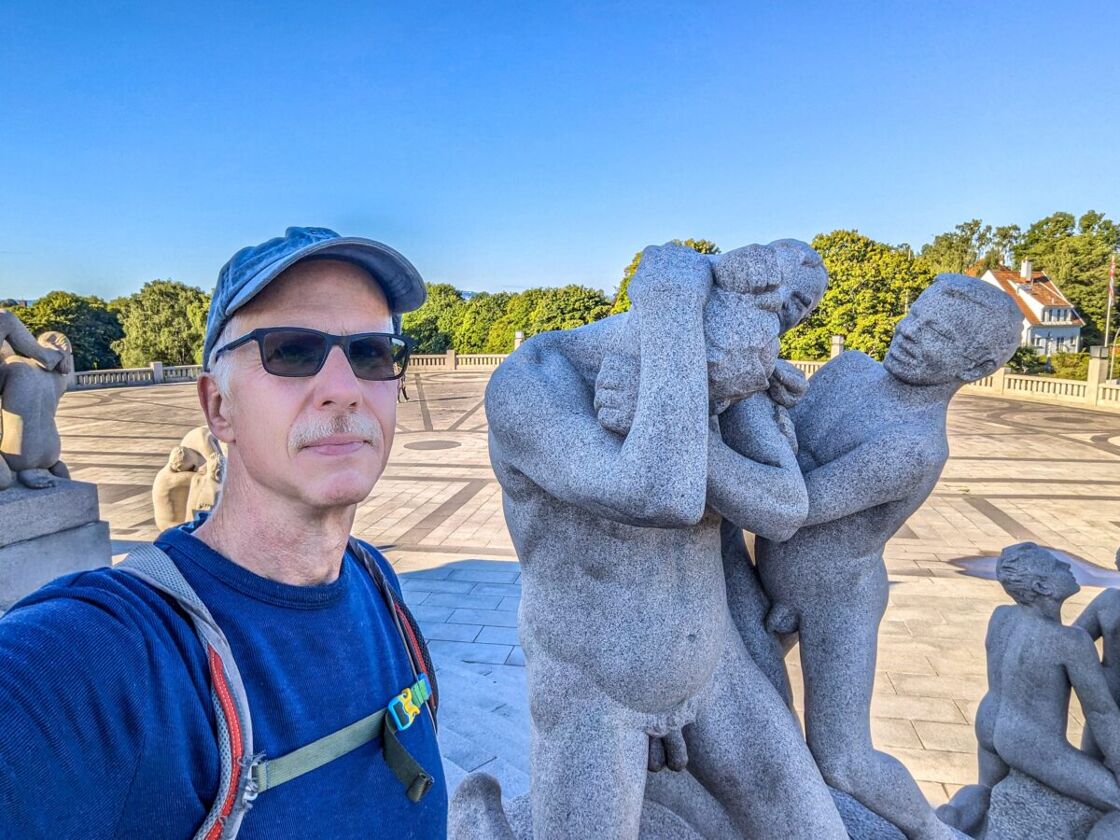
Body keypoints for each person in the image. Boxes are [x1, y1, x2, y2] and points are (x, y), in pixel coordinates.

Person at [0, 227, 447, 839]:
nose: (344, 389)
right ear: (218, 408)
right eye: (292, 351)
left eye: (370, 352)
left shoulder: (375, 579)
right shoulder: (117, 651)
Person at [472, 243, 846, 839]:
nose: (724, 406)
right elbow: (659, 495)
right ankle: (486, 821)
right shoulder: (532, 386)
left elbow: (781, 508)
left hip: (713, 668)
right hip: (595, 687)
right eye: (710, 393)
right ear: (668, 342)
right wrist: (670, 304)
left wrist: (703, 420)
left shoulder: (726, 368)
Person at [754, 274, 1022, 839]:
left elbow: (792, 506)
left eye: (937, 334)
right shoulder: (849, 369)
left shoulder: (915, 446)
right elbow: (781, 439)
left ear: (973, 366)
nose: (908, 333)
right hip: (769, 576)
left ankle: (929, 829)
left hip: (838, 600)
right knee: (734, 694)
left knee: (842, 758)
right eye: (915, 315)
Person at [938, 543, 1120, 837]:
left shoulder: (1002, 617)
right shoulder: (1070, 642)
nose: (1068, 568)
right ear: (1042, 586)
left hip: (989, 722)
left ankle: (950, 817)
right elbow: (1100, 711)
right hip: (1030, 741)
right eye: (1058, 566)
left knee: (985, 790)